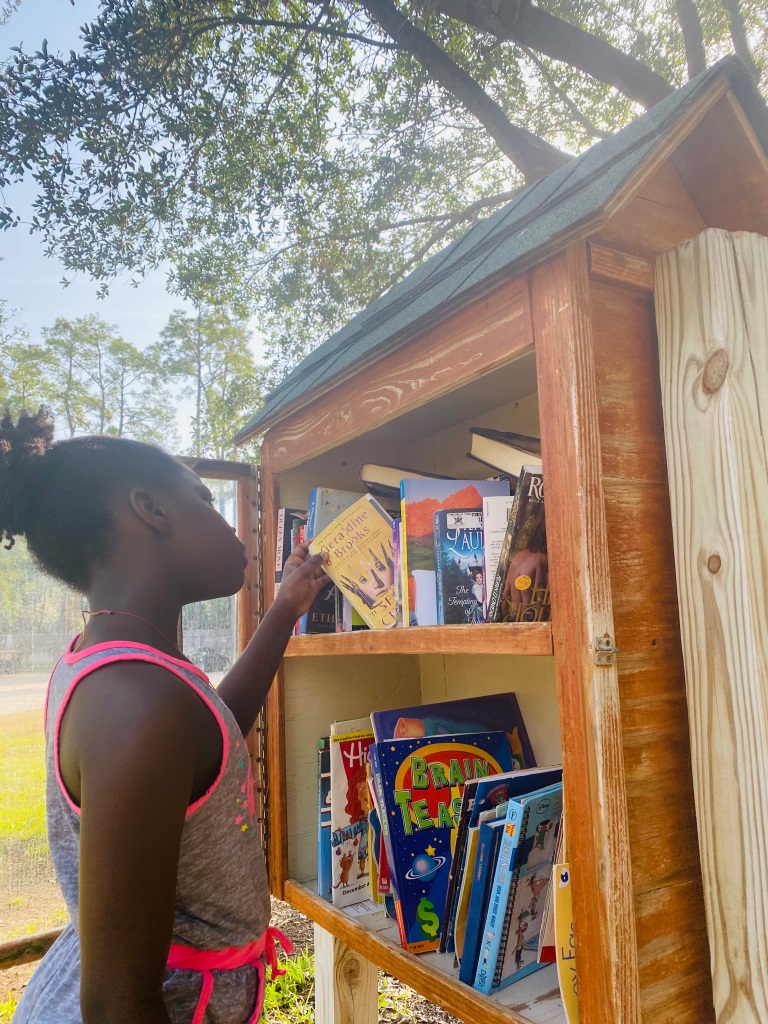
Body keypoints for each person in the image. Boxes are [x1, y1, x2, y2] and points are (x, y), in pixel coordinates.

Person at [0, 407, 330, 1024]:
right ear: (150, 510)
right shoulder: (136, 701)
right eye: (206, 500)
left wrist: (285, 610)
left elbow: (208, 745)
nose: (232, 524)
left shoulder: (131, 668)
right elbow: (117, 1006)